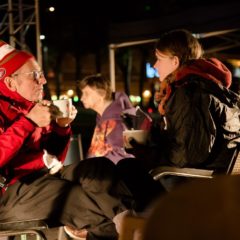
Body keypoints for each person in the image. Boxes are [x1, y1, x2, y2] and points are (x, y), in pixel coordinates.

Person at [0, 40, 135, 240]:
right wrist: (28, 122)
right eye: (35, 76)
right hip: (8, 194)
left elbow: (55, 158)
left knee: (99, 168)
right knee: (77, 198)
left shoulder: (32, 107)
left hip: (39, 180)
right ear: (10, 82)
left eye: (42, 74)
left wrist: (61, 128)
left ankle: (133, 222)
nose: (43, 81)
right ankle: (127, 232)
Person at [133, 29, 240, 190]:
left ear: (175, 62)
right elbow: (192, 139)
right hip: (213, 180)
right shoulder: (211, 88)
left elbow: (188, 155)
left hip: (193, 186)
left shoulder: (189, 93)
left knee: (123, 170)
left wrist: (148, 153)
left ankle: (133, 215)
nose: (155, 65)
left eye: (159, 59)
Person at [79, 75, 164, 212]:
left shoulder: (117, 119)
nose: (82, 97)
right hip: (102, 177)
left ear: (101, 94)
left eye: (87, 93)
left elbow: (125, 155)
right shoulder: (103, 116)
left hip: (114, 182)